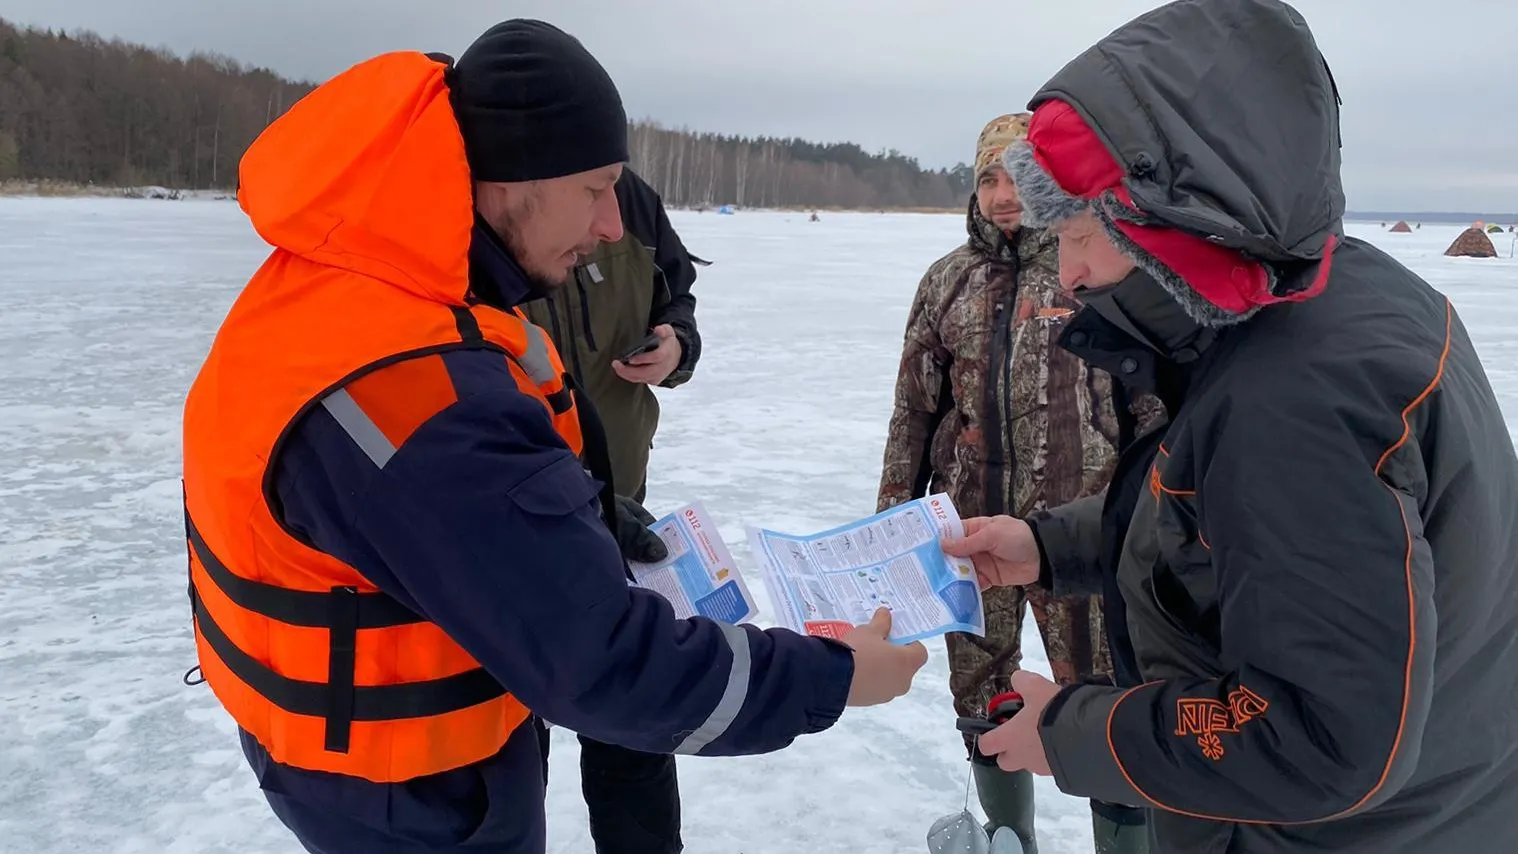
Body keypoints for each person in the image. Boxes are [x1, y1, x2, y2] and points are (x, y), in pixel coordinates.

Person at [179, 20, 927, 854]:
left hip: (347, 752)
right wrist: (838, 676)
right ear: (506, 181)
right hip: (417, 795)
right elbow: (602, 662)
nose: (613, 224)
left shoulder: (338, 287)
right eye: (594, 188)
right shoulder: (418, 394)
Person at [940, 0, 1518, 851]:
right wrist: (1047, 545)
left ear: (1171, 217)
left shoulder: (1293, 399)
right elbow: (1228, 519)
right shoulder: (1338, 290)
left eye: (1073, 235)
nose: (1066, 276)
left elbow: (1324, 741)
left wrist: (1068, 730)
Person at [877, 113, 1154, 854]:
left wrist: (1160, 522)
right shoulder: (948, 280)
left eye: (1020, 178)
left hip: (1087, 539)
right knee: (983, 700)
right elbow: (914, 412)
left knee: (1104, 704)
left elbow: (1152, 410)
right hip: (970, 539)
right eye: (989, 179)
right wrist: (891, 530)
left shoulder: (1095, 270)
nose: (1005, 196)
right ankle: (1007, 837)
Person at [519, 166, 706, 853]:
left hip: (623, 508)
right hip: (506, 526)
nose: (604, 219)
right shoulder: (486, 214)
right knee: (510, 739)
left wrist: (676, 343)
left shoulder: (633, 202)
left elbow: (677, 289)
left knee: (634, 720)